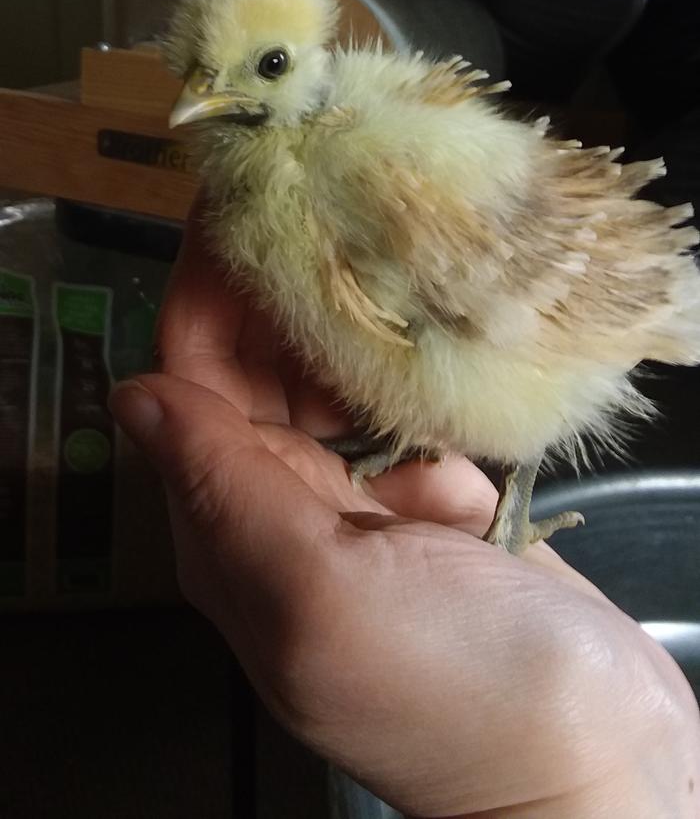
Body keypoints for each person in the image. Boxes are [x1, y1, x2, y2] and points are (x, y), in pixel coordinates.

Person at [109, 207, 700, 819]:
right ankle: (423, 439)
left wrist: (557, 783)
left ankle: (476, 483)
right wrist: (610, 764)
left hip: (559, 323)